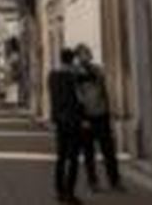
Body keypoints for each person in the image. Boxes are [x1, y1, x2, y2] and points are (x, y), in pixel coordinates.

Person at [74, 45, 123, 192]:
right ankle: (93, 182)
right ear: (78, 56)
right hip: (87, 117)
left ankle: (114, 181)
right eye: (84, 54)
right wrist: (82, 118)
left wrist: (110, 110)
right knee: (89, 153)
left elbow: (105, 91)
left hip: (102, 114)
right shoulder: (76, 73)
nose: (88, 56)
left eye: (88, 53)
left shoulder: (98, 70)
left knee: (109, 151)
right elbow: (77, 97)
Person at [48, 48, 85, 204]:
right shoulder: (74, 77)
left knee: (61, 157)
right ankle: (70, 193)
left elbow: (53, 96)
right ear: (72, 60)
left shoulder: (52, 76)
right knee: (73, 158)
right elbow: (81, 98)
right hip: (73, 120)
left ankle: (60, 191)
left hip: (59, 120)